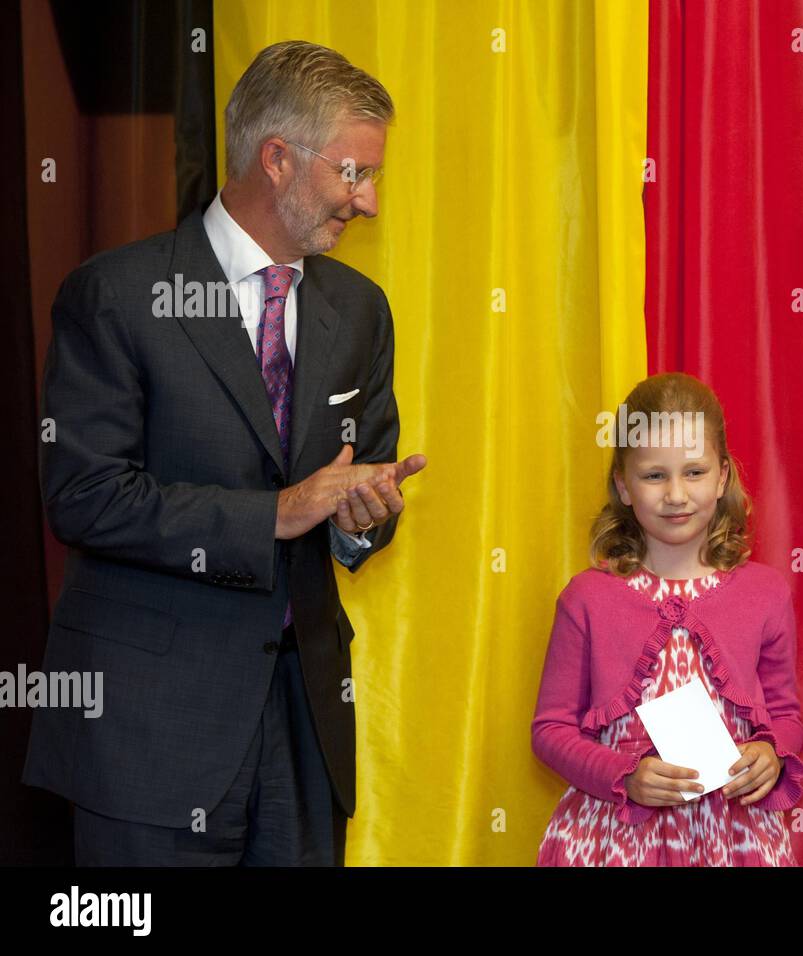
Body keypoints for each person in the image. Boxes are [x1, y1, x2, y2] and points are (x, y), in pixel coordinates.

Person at [25, 40, 426, 866]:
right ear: (277, 159)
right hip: (148, 737)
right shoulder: (117, 296)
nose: (371, 201)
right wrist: (275, 515)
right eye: (353, 173)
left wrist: (361, 517)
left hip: (305, 731)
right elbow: (85, 496)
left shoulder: (359, 310)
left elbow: (359, 483)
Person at [531, 372, 803, 866]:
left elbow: (785, 715)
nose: (676, 494)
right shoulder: (587, 598)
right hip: (614, 838)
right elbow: (551, 731)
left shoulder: (765, 593)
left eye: (694, 472)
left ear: (723, 476)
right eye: (655, 475)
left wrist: (773, 753)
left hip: (732, 837)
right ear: (624, 485)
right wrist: (623, 774)